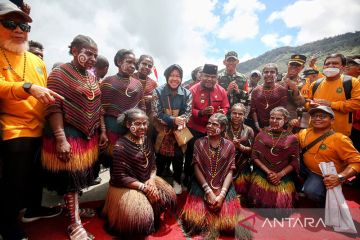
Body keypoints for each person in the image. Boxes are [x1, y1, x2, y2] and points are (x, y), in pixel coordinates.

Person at [0, 2, 62, 239]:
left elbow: (45, 93)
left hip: (40, 128)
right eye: (10, 23)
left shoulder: (36, 61)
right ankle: (6, 225)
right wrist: (26, 87)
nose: (19, 30)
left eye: (24, 25)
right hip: (14, 128)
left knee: (37, 175)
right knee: (14, 181)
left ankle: (34, 209)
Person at [41, 34, 107, 239]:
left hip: (88, 136)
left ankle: (74, 210)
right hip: (67, 134)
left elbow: (98, 108)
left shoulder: (92, 77)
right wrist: (61, 138)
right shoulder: (59, 74)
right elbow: (53, 106)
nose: (93, 58)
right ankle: (74, 222)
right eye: (88, 53)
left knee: (79, 178)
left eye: (95, 55)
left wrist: (102, 130)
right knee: (69, 178)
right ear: (74, 51)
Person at [102, 108, 176, 238]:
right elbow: (121, 177)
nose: (142, 127)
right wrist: (145, 188)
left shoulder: (146, 139)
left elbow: (153, 164)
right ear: (128, 125)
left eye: (145, 123)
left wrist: (152, 180)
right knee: (141, 219)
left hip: (147, 181)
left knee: (169, 197)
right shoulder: (120, 146)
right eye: (137, 123)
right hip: (126, 186)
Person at [180, 113, 251, 239]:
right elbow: (196, 168)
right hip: (202, 184)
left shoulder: (229, 145)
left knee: (229, 225)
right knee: (194, 223)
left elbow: (230, 170)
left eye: (215, 124)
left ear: (223, 128)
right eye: (209, 123)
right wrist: (208, 191)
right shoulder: (199, 143)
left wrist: (222, 194)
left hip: (223, 185)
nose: (210, 126)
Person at [298, 106, 360, 204]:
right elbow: (287, 144)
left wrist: (341, 177)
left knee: (311, 191)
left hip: (322, 175)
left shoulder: (340, 139)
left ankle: (327, 202)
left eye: (322, 116)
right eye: (314, 116)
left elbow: (357, 162)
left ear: (332, 120)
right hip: (304, 168)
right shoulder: (304, 132)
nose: (317, 118)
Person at [185, 64, 229, 187]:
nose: (210, 79)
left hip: (214, 130)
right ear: (202, 76)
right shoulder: (192, 90)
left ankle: (209, 180)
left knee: (212, 155)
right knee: (191, 154)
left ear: (216, 78)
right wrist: (201, 112)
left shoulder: (221, 90)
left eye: (213, 77)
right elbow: (187, 109)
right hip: (195, 129)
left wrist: (222, 113)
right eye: (207, 76)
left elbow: (226, 106)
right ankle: (188, 179)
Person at [247, 107, 299, 210]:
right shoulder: (261, 134)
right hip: (263, 173)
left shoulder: (292, 138)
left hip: (283, 175)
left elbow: (294, 162)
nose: (274, 121)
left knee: (280, 208)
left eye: (278, 119)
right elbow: (254, 157)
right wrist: (269, 172)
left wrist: (279, 175)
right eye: (272, 118)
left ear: (286, 120)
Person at [152, 64, 192, 194]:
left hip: (180, 130)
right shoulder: (158, 91)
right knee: (159, 157)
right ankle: (156, 183)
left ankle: (177, 181)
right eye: (172, 75)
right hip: (161, 130)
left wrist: (182, 120)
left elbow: (188, 112)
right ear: (166, 76)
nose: (175, 79)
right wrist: (172, 120)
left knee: (179, 157)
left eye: (178, 76)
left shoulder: (187, 93)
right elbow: (156, 113)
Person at [100, 49, 144, 161]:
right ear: (119, 62)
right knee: (111, 160)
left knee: (127, 161)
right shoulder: (108, 82)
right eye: (129, 62)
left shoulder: (138, 85)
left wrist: (140, 129)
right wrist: (103, 131)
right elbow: (100, 110)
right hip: (111, 128)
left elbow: (142, 109)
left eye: (135, 63)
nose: (133, 66)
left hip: (130, 130)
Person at [307, 53, 360, 136]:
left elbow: (356, 104)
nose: (330, 66)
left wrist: (331, 104)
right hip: (315, 132)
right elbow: (307, 102)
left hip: (340, 133)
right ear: (323, 67)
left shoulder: (352, 82)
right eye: (327, 64)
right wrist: (310, 105)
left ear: (343, 67)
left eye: (335, 63)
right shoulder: (315, 84)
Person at [225, 103, 254, 196]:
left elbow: (252, 151)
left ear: (244, 115)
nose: (237, 116)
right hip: (225, 161)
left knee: (241, 190)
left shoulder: (249, 130)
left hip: (242, 163)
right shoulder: (223, 128)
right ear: (230, 113)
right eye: (234, 113)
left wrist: (240, 146)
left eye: (240, 114)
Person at [251, 63, 288, 131]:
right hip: (260, 127)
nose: (269, 74)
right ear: (262, 74)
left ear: (276, 74)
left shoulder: (282, 90)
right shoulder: (255, 90)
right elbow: (253, 110)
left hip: (278, 127)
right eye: (266, 72)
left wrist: (272, 126)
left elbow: (283, 110)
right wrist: (258, 127)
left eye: (272, 72)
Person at [279, 54, 306, 121]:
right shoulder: (278, 77)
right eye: (292, 64)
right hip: (274, 116)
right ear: (288, 65)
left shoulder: (304, 82)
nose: (294, 67)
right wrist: (286, 78)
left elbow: (301, 103)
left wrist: (295, 90)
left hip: (291, 119)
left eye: (298, 65)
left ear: (302, 67)